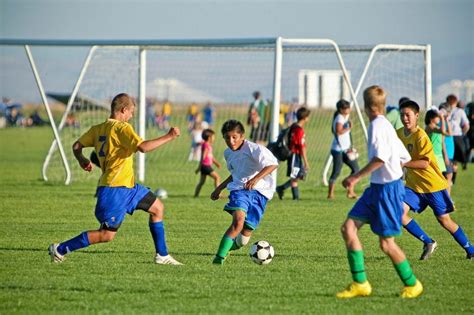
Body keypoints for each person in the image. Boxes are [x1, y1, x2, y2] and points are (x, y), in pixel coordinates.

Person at [48, 93, 183, 265]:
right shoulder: (122, 128)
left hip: (128, 187)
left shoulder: (98, 129)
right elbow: (143, 147)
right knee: (106, 235)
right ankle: (59, 249)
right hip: (114, 189)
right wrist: (169, 136)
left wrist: (82, 159)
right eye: (131, 112)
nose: (131, 116)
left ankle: (162, 256)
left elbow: (76, 146)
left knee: (157, 208)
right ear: (123, 109)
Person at [337, 85, 422, 299]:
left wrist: (354, 177)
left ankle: (413, 284)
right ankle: (360, 284)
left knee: (386, 244)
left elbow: (380, 158)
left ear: (366, 107)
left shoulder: (376, 126)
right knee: (348, 228)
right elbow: (404, 158)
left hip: (387, 191)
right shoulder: (386, 125)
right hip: (376, 189)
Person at [396, 100, 474, 260]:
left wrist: (403, 163)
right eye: (402, 115)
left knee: (444, 221)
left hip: (432, 185)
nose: (405, 118)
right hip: (413, 186)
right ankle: (428, 242)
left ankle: (471, 250)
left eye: (408, 115)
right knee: (398, 212)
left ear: (416, 116)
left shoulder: (421, 136)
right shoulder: (398, 134)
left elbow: (424, 163)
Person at [210, 119, 278, 264]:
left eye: (234, 137)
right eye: (227, 137)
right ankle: (218, 258)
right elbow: (236, 174)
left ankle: (228, 249)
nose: (231, 141)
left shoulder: (254, 149)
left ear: (242, 136)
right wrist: (219, 188)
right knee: (238, 222)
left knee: (243, 240)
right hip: (239, 191)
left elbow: (273, 164)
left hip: (260, 194)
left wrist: (256, 179)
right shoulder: (228, 153)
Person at [275, 107, 310, 200]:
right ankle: (295, 198)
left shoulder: (294, 126)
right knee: (295, 176)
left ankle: (281, 188)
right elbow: (301, 146)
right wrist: (306, 161)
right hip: (295, 155)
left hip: (295, 155)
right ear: (305, 118)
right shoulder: (299, 130)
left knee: (298, 175)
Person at [327, 99, 359, 199]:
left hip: (346, 149)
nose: (348, 110)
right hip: (338, 150)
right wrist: (349, 128)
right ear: (341, 109)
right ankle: (330, 194)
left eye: (349, 107)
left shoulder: (344, 117)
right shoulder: (340, 118)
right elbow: (338, 131)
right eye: (346, 108)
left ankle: (350, 191)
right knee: (336, 171)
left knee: (356, 169)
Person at [194, 128, 221, 197]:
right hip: (205, 166)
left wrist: (216, 163)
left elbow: (211, 157)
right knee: (217, 177)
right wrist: (199, 167)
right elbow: (203, 157)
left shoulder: (208, 145)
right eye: (213, 137)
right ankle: (218, 194)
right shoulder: (205, 145)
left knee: (201, 182)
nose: (214, 138)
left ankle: (196, 195)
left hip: (205, 166)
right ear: (209, 138)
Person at [446, 94, 470, 172]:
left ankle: (450, 177)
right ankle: (452, 178)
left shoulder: (445, 110)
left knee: (451, 158)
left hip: (448, 136)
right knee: (454, 159)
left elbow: (466, 125)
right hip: (456, 136)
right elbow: (466, 125)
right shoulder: (460, 111)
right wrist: (462, 134)